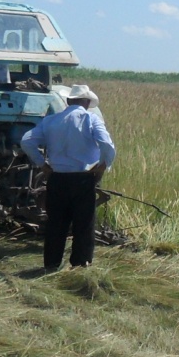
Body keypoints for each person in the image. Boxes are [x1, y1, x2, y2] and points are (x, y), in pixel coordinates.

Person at [20, 85, 116, 272]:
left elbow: (26, 140)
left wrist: (42, 164)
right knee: (84, 223)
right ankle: (80, 264)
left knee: (56, 223)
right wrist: (103, 165)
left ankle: (51, 264)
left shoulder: (51, 121)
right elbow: (106, 144)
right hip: (83, 178)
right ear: (86, 102)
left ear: (68, 101)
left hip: (57, 178)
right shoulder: (90, 119)